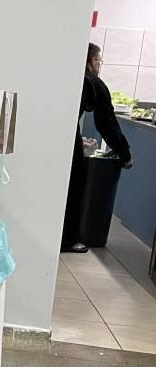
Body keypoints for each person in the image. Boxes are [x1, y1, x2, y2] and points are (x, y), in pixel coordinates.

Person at [61, 42, 133, 253]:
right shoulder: (91, 81)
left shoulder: (66, 76)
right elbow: (106, 122)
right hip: (68, 136)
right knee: (74, 185)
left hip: (55, 134)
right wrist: (125, 153)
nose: (100, 65)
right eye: (99, 60)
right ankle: (68, 239)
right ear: (92, 61)